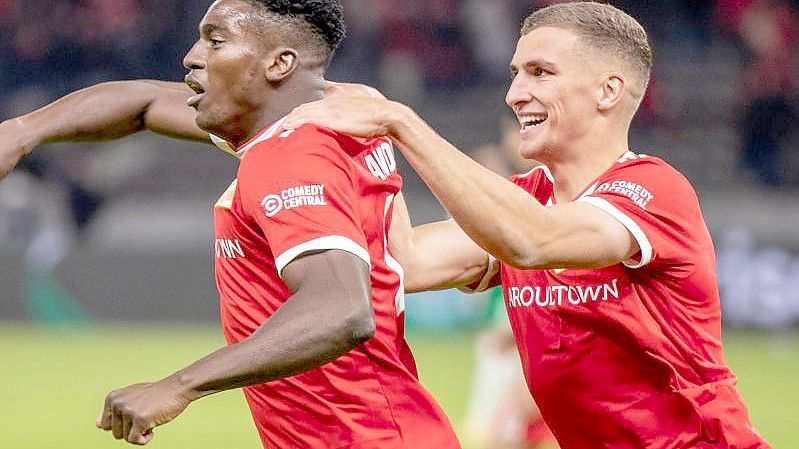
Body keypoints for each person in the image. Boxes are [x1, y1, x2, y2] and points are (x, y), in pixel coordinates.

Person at [282, 2, 772, 448]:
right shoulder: (524, 198)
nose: (515, 95)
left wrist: (401, 124)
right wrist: (366, 148)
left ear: (608, 90)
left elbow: (534, 240)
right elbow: (405, 262)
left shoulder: (656, 190)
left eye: (541, 73)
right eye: (516, 74)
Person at [0, 1, 468, 448]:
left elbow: (342, 309)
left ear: (279, 64)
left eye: (216, 41)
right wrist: (21, 133)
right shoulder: (325, 121)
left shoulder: (293, 154)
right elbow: (143, 103)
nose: (192, 57)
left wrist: (180, 385)